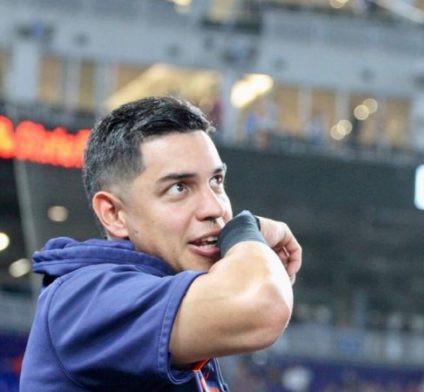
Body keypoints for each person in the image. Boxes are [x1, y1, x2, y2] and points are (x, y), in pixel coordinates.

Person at [20, 96, 302, 391]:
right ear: (114, 213)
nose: (215, 208)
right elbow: (261, 306)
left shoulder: (166, 293)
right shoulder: (86, 299)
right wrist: (245, 230)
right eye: (179, 188)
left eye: (216, 181)